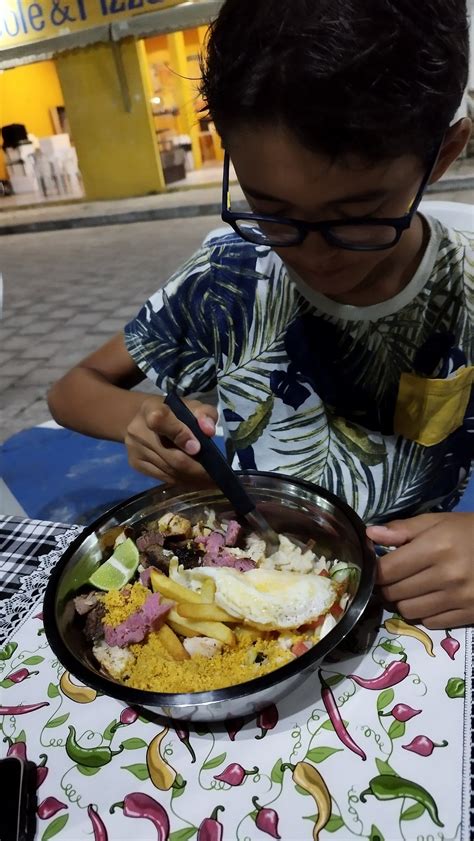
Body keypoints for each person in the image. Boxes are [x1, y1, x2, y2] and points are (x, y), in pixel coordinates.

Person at [48, 0, 473, 629]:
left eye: (355, 217)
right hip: (240, 589)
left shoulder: (464, 292)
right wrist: (144, 417)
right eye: (270, 209)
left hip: (411, 601)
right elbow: (72, 391)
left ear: (443, 154)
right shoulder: (228, 277)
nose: (311, 254)